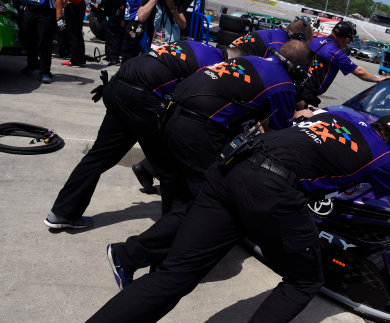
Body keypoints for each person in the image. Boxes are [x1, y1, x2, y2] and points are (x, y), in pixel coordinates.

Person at [19, 111, 390, 323]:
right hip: (271, 188)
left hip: (231, 170)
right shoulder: (381, 157)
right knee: (304, 279)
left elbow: (299, 124)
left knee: (171, 277)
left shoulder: (334, 120)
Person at [107, 40, 313, 287]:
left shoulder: (253, 61)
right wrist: (299, 115)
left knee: (185, 196)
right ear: (298, 70)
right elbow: (277, 133)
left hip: (169, 115)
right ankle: (129, 255)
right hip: (196, 128)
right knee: (208, 200)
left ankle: (160, 261)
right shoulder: (283, 83)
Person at [44, 41, 246, 229]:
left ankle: (61, 214)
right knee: (171, 169)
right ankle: (173, 231)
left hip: (118, 85)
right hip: (140, 99)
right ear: (232, 62)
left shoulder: (194, 45)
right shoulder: (215, 66)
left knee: (99, 156)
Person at [128, 16, 316, 193]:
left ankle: (151, 168)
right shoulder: (281, 60)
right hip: (215, 103)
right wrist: (297, 113)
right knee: (210, 175)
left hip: (206, 87)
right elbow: (275, 128)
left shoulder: (272, 46)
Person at [296, 20, 390, 108]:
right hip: (307, 96)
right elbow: (359, 71)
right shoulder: (336, 53)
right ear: (345, 39)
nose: (346, 44)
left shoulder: (315, 40)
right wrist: (378, 79)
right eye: (348, 41)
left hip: (297, 86)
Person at [20, 0, 63, 83]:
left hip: (46, 11)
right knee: (27, 38)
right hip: (29, 8)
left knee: (44, 42)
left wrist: (59, 16)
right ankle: (32, 64)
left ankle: (45, 72)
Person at [231, 18, 314, 58]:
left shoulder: (277, 33)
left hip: (231, 56)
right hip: (232, 62)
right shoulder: (280, 43)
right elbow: (275, 67)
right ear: (299, 38)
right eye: (304, 43)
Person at [90, 0, 125, 66]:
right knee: (109, 35)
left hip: (114, 15)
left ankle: (114, 58)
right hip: (112, 14)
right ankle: (109, 55)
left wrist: (99, 6)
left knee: (113, 37)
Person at [59, 0, 86, 67]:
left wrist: (64, 3)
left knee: (73, 34)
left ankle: (75, 60)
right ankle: (80, 58)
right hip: (79, 5)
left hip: (73, 6)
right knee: (78, 33)